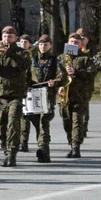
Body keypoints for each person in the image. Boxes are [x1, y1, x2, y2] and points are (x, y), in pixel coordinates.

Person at [0, 25, 31, 167]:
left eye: (10, 37)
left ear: (15, 38)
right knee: (1, 125)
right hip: (0, 94)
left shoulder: (21, 53)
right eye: (5, 36)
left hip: (15, 95)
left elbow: (23, 66)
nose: (7, 39)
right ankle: (5, 151)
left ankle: (12, 154)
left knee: (13, 124)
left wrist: (10, 53)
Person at [26, 35, 62, 163]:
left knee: (43, 123)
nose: (43, 46)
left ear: (50, 45)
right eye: (41, 44)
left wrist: (55, 83)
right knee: (36, 123)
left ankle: (44, 151)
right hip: (33, 94)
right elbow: (26, 75)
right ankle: (42, 147)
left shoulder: (55, 60)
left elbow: (61, 76)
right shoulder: (32, 59)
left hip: (47, 95)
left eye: (46, 44)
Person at [60, 32, 94, 158]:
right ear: (68, 43)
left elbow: (91, 75)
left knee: (77, 122)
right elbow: (57, 75)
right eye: (72, 42)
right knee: (66, 122)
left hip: (80, 95)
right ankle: (71, 142)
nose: (73, 44)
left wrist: (77, 72)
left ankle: (76, 147)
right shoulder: (61, 58)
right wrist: (59, 86)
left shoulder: (85, 58)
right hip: (65, 95)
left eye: (76, 43)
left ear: (80, 45)